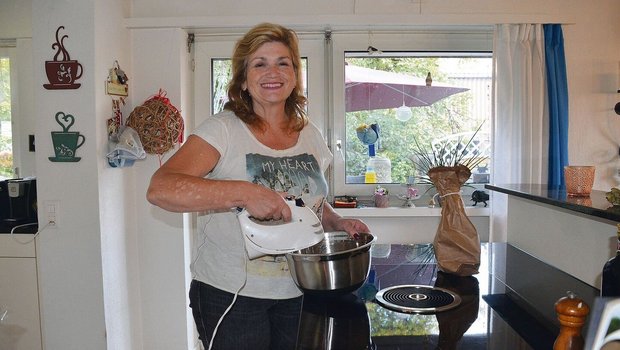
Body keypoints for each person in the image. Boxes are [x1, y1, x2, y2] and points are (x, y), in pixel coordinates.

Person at [146, 22, 370, 350]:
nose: (272, 71)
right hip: (233, 296)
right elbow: (161, 188)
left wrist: (336, 222)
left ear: (294, 74)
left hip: (299, 290)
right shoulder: (222, 130)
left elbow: (309, 203)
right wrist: (246, 192)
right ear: (243, 79)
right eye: (260, 63)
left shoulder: (310, 133)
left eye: (283, 62)